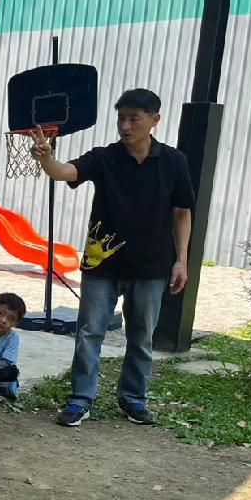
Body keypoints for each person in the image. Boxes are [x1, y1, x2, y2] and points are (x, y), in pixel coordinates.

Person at [30, 88, 194, 427]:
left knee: (141, 337)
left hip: (151, 265)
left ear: (155, 120)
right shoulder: (104, 157)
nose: (126, 126)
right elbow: (66, 172)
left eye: (134, 119)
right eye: (121, 118)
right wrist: (46, 159)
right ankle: (80, 399)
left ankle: (134, 399)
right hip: (101, 264)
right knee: (89, 332)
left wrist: (182, 259)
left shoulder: (174, 161)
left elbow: (182, 211)